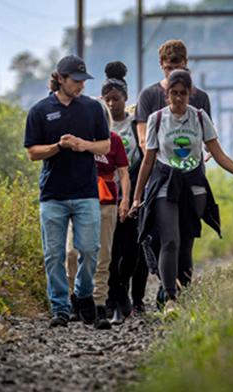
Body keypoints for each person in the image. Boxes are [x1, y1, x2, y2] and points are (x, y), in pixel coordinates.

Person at [130, 69, 233, 316]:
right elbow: (148, 160)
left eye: (183, 94)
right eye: (173, 93)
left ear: (190, 94)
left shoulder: (199, 117)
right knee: (170, 239)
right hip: (165, 182)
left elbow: (218, 154)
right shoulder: (157, 118)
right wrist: (137, 196)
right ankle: (170, 297)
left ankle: (183, 293)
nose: (178, 99)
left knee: (186, 243)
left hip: (193, 184)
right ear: (166, 94)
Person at [24, 55, 110, 328]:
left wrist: (84, 145)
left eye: (84, 80)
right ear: (60, 79)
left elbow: (105, 145)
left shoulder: (93, 109)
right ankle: (60, 307)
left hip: (86, 191)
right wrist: (58, 146)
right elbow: (32, 153)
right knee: (54, 255)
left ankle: (83, 295)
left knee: (89, 249)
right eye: (76, 80)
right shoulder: (39, 111)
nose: (81, 85)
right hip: (53, 195)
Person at [133, 39, 213, 305]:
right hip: (158, 174)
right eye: (167, 67)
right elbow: (143, 139)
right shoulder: (149, 97)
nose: (171, 72)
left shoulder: (200, 99)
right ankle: (167, 284)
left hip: (190, 176)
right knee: (159, 237)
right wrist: (157, 152)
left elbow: (204, 140)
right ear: (161, 66)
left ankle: (174, 290)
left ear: (185, 64)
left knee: (183, 239)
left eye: (176, 66)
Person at [66, 98, 130, 329]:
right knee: (73, 252)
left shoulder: (113, 141)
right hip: (79, 199)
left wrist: (126, 200)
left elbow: (123, 173)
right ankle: (74, 300)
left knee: (103, 255)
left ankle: (99, 304)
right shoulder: (77, 141)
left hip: (106, 201)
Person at [101, 61, 145, 324]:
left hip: (130, 194)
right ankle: (114, 298)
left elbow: (142, 154)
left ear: (125, 99)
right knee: (110, 250)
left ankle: (124, 291)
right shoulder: (98, 125)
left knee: (130, 252)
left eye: (116, 99)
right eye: (107, 99)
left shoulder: (134, 124)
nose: (111, 104)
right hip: (105, 195)